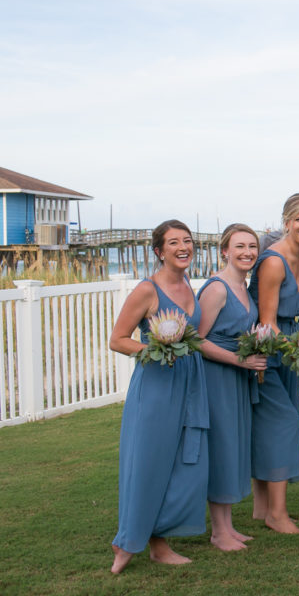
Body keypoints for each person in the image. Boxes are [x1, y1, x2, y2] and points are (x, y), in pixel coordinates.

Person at [108, 220, 208, 574]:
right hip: (154, 387)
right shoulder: (147, 291)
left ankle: (160, 543)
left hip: (188, 384)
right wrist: (156, 351)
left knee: (181, 464)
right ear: (158, 251)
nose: (183, 247)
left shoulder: (187, 285)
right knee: (147, 465)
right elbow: (118, 339)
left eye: (188, 241)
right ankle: (126, 541)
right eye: (174, 242)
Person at [198, 223, 268, 551]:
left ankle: (227, 526)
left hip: (237, 378)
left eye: (252, 247)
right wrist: (239, 361)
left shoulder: (244, 286)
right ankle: (218, 532)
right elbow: (195, 340)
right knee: (221, 448)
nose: (247, 253)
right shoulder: (218, 289)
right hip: (217, 379)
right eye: (239, 246)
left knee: (233, 447)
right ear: (225, 250)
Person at [249, 194, 299, 535]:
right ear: (286, 222)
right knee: (283, 425)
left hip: (290, 348)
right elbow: (267, 322)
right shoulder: (274, 262)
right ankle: (277, 513)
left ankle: (262, 510)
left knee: (275, 426)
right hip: (269, 351)